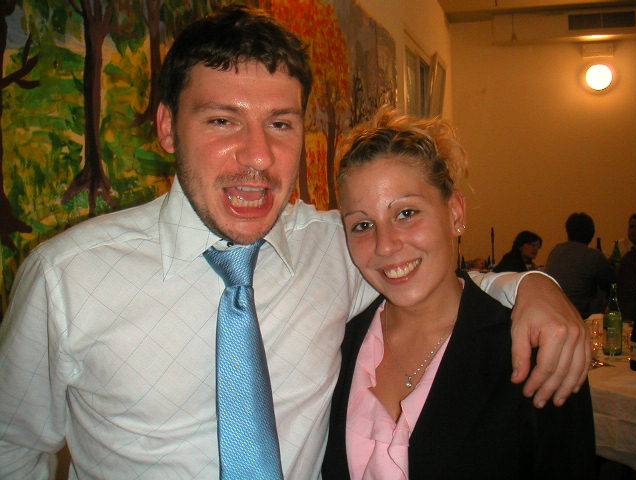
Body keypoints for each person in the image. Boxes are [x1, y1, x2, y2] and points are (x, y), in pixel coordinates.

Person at [0, 5, 588, 479]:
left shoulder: (335, 245)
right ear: (166, 127)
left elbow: (424, 272)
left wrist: (534, 287)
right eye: (222, 120)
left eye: (280, 123)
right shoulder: (65, 279)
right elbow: (12, 449)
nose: (258, 157)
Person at [322, 109, 595, 479]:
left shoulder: (536, 351)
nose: (385, 245)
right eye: (363, 225)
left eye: (406, 213)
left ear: (455, 212)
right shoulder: (336, 344)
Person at [545, 212, 616, 318]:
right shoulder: (593, 256)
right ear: (591, 234)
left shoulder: (556, 251)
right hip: (580, 316)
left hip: (552, 313)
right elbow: (612, 284)